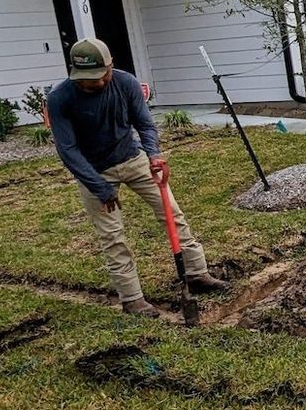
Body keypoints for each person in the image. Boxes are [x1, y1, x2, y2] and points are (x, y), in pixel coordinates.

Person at [47, 38, 228, 317]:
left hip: (133, 159)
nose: (92, 83)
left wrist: (154, 156)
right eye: (85, 79)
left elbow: (144, 124)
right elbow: (68, 150)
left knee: (173, 215)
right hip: (92, 171)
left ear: (110, 67)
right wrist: (100, 188)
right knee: (112, 235)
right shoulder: (60, 98)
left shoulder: (126, 83)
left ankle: (196, 273)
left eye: (98, 76)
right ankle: (132, 299)